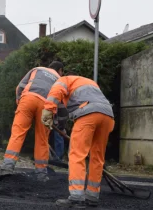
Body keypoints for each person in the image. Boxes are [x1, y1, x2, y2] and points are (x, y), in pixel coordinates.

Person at [41, 75, 115, 208]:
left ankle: (76, 197)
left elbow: (55, 93)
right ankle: (92, 196)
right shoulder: (90, 83)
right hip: (108, 115)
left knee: (77, 155)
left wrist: (48, 110)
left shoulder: (63, 80)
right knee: (97, 157)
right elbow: (65, 111)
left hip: (87, 113)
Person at [0, 61, 65, 181]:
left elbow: (20, 87)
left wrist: (19, 102)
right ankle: (41, 173)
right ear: (60, 71)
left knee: (17, 134)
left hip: (27, 99)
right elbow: (62, 105)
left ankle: (7, 167)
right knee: (42, 139)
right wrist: (61, 125)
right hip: (46, 106)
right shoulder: (60, 80)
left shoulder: (37, 69)